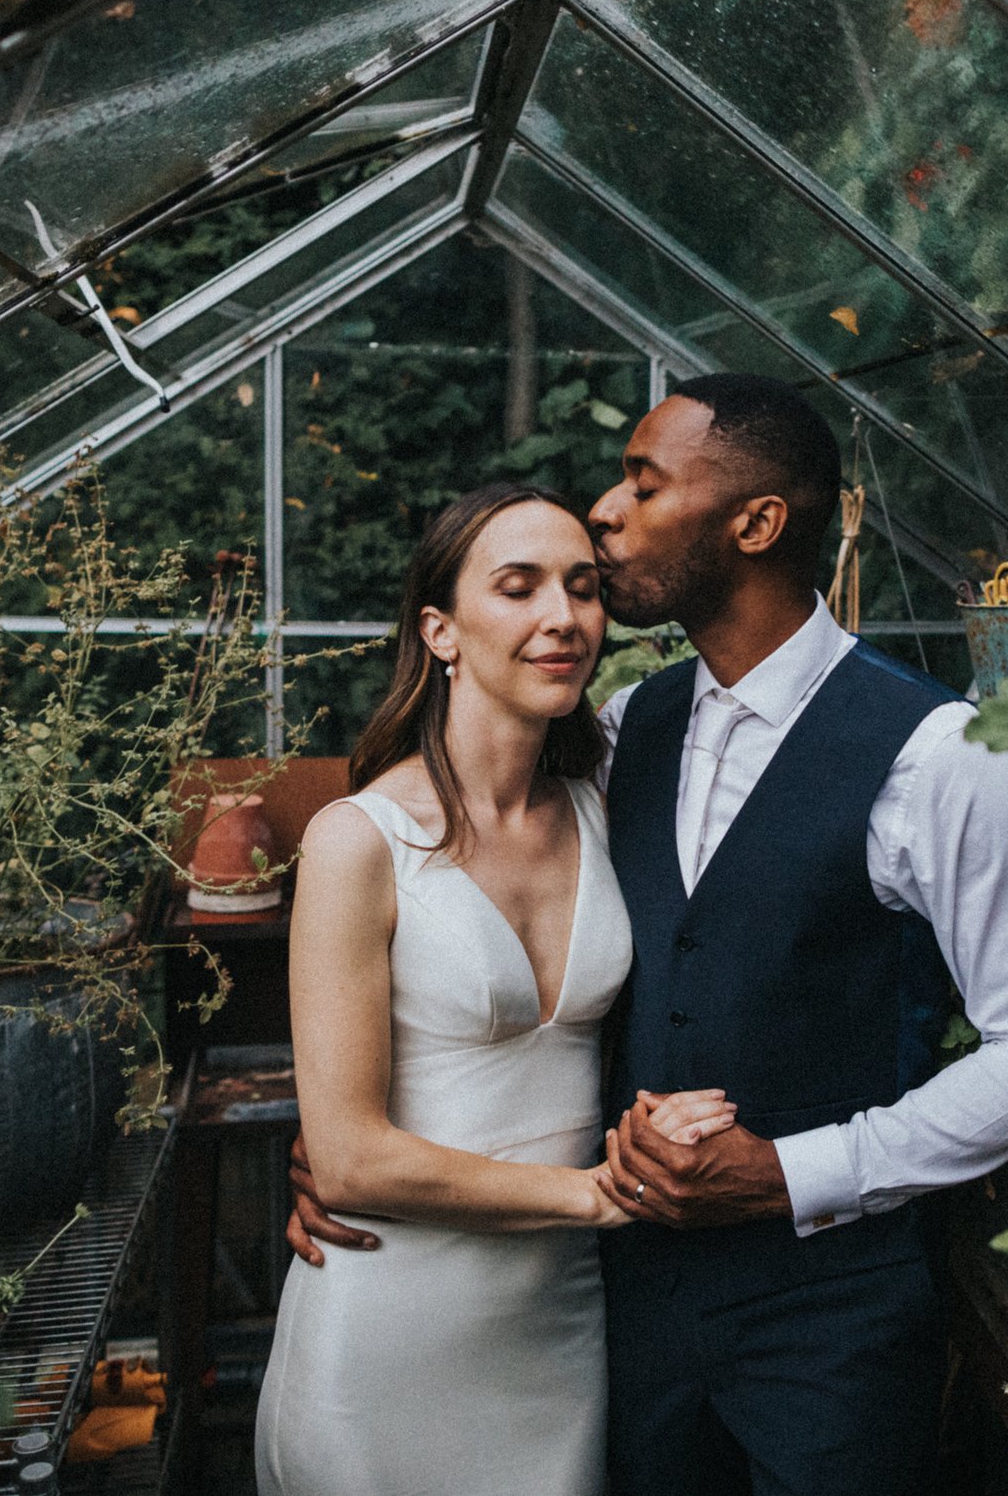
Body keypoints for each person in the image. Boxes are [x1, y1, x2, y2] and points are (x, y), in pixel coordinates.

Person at [290, 376, 1008, 1494]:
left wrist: (795, 1172)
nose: (606, 511)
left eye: (642, 483)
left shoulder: (939, 754)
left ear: (756, 524)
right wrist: (358, 1145)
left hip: (830, 1325)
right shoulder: (626, 732)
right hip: (621, 1314)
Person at [255, 483, 739, 1496]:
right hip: (390, 1324)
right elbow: (344, 1157)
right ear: (439, 629)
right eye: (516, 588)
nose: (561, 617)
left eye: (581, 587)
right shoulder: (358, 841)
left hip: (558, 1329)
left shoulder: (611, 806)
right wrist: (600, 1194)